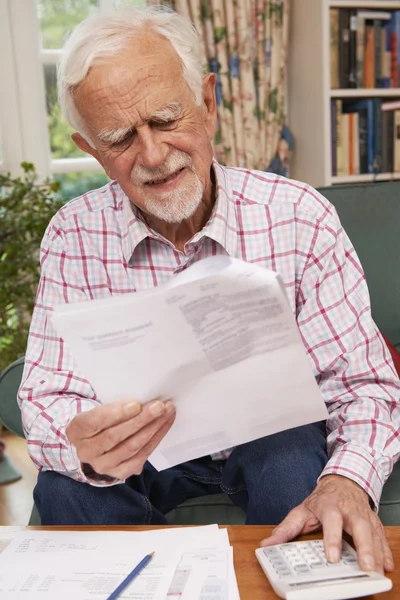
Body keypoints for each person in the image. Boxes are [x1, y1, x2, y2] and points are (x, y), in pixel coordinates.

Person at [18, 5, 399, 575]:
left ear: (210, 102)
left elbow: (366, 384)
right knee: (66, 488)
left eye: (168, 119)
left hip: (270, 446)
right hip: (139, 461)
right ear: (92, 149)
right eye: (120, 138)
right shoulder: (72, 233)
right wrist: (82, 446)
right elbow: (44, 397)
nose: (152, 155)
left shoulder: (299, 215)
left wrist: (348, 479)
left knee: (292, 454)